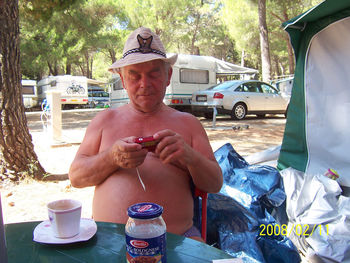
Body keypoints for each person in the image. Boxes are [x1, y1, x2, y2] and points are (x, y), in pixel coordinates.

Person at [68, 27, 223, 241]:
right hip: (108, 243)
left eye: (153, 74)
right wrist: (111, 158)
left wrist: (189, 157)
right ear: (122, 80)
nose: (144, 84)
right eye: (134, 76)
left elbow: (214, 184)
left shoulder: (189, 124)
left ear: (167, 76)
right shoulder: (104, 121)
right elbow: (76, 177)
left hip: (177, 241)